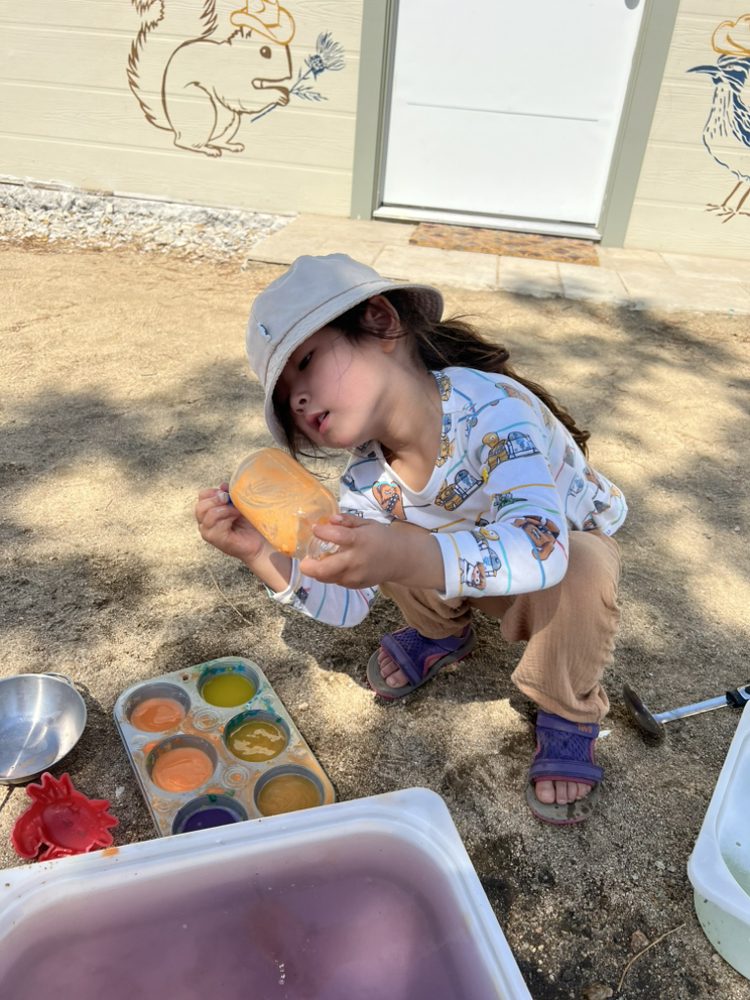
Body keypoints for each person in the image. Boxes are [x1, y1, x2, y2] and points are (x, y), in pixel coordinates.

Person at [195, 253, 627, 825]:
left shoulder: (492, 409)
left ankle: (568, 708)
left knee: (586, 564)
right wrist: (259, 552)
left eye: (306, 361)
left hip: (552, 579)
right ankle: (441, 632)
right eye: (285, 397)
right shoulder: (364, 482)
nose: (297, 398)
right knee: (375, 538)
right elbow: (349, 604)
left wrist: (406, 552)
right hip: (467, 567)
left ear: (380, 321)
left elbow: (541, 547)